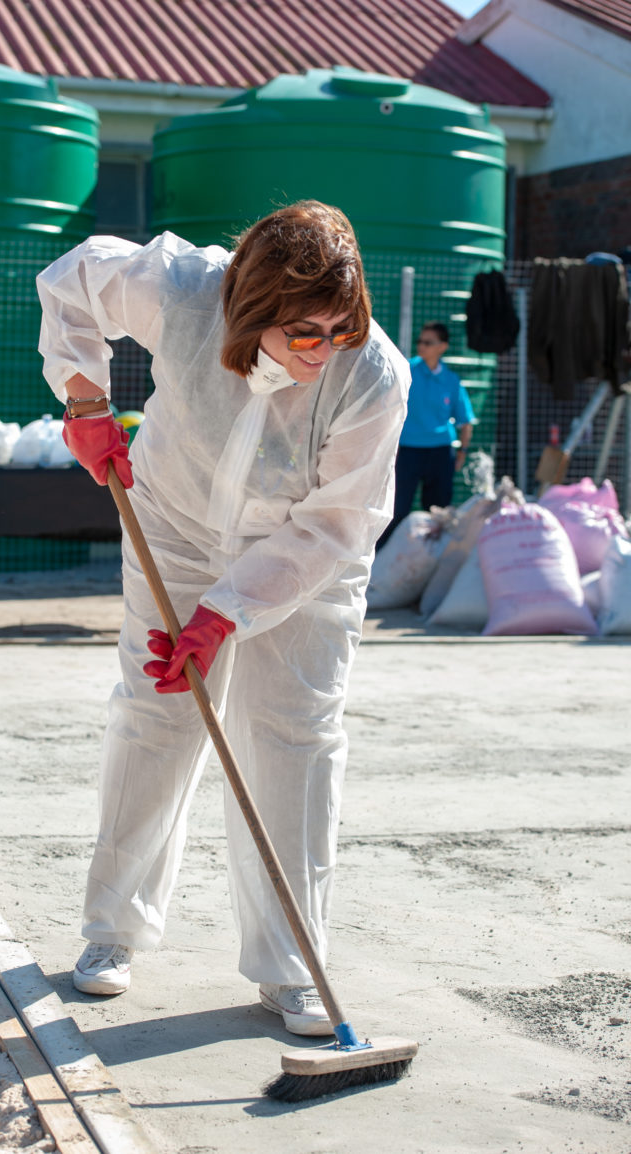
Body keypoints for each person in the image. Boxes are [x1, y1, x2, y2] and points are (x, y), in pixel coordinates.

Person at [36, 200, 409, 1037]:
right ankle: (112, 934)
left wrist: (230, 612)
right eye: (303, 333)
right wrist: (84, 397)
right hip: (174, 523)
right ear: (251, 309)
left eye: (339, 329)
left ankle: (291, 964)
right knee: (154, 713)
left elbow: (338, 522)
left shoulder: (372, 374)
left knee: (293, 737)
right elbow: (73, 280)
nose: (324, 351)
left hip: (304, 553)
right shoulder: (182, 289)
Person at [379, 321, 475, 547]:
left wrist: (462, 451)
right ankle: (381, 560)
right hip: (407, 451)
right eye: (420, 341)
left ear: (443, 346)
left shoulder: (451, 380)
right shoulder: (406, 371)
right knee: (396, 509)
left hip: (441, 452)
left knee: (438, 512)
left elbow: (466, 421)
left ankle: (431, 561)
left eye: (428, 342)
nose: (421, 346)